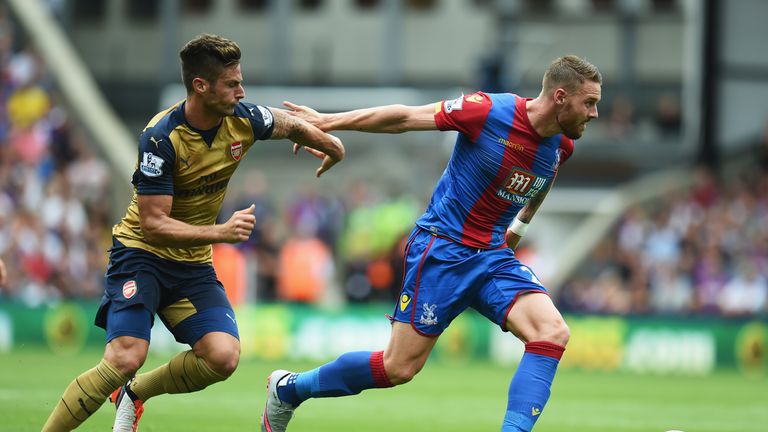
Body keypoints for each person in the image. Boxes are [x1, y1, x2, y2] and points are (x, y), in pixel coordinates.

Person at [261, 55, 601, 432]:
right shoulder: (488, 111)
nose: (595, 113)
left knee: (551, 332)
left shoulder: (561, 145)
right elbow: (406, 117)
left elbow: (545, 176)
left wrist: (518, 228)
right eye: (589, 102)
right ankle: (289, 389)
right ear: (559, 97)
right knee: (398, 367)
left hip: (492, 256)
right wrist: (327, 121)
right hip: (443, 250)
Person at [42, 33, 345, 432]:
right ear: (201, 86)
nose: (242, 90)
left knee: (223, 357)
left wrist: (331, 146)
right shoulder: (160, 137)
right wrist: (221, 232)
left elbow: (289, 124)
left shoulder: (245, 119)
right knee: (124, 357)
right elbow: (153, 224)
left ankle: (135, 394)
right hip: (142, 254)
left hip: (191, 264)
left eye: (240, 81)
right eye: (232, 83)